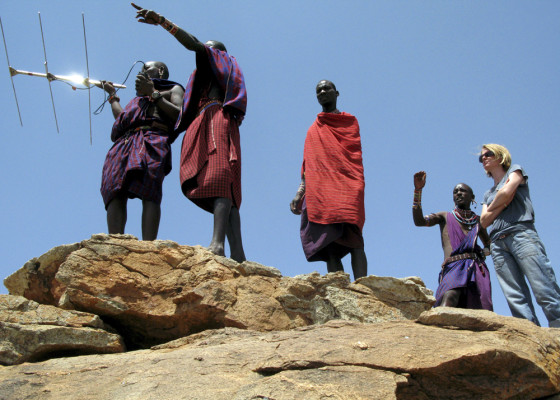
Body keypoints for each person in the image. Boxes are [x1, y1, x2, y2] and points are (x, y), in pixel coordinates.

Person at [132, 3, 247, 262]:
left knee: (221, 176)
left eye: (209, 49)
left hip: (217, 117)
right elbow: (180, 112)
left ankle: (218, 245)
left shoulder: (222, 63)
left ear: (218, 54)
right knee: (225, 184)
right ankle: (238, 254)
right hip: (202, 120)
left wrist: (163, 21)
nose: (204, 53)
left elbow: (195, 45)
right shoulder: (202, 79)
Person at [290, 80, 367, 280]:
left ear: (337, 93)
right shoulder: (313, 130)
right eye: (319, 90)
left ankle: (364, 286)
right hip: (320, 192)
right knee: (328, 243)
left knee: (355, 240)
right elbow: (309, 166)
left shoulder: (348, 121)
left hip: (347, 186)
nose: (323, 92)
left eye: (327, 88)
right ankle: (340, 287)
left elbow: (353, 157)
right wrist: (299, 193)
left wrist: (354, 186)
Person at [98, 61, 184, 240]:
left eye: (146, 68)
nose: (141, 71)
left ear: (160, 71)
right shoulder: (137, 100)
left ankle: (148, 245)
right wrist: (113, 96)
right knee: (116, 188)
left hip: (152, 138)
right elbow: (122, 118)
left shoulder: (173, 89)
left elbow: (179, 115)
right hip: (125, 142)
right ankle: (114, 241)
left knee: (150, 186)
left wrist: (153, 93)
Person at [479, 144, 560, 327]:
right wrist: (502, 202)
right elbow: (483, 222)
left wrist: (501, 201)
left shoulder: (516, 171)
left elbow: (507, 192)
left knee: (543, 287)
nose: (483, 158)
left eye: (488, 154)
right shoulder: (487, 194)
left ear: (500, 156)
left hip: (521, 234)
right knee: (515, 297)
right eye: (481, 157)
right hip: (497, 244)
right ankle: (530, 337)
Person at [412, 171, 492, 310]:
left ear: (472, 197)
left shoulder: (478, 221)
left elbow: (488, 244)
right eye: (455, 192)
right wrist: (418, 191)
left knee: (480, 305)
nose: (459, 193)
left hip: (476, 269)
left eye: (463, 191)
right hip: (453, 266)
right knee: (450, 297)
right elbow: (419, 221)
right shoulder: (444, 216)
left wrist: (483, 253)